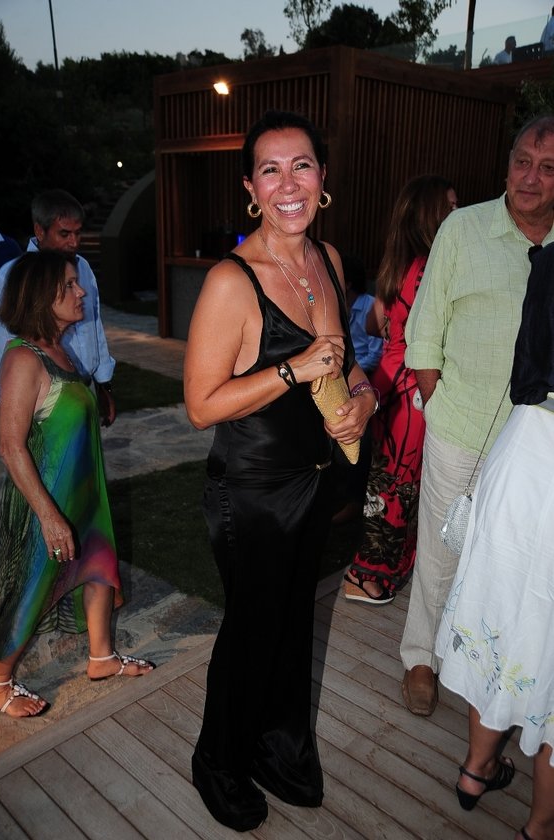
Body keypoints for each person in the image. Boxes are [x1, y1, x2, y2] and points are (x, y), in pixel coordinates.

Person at [183, 109, 377, 832]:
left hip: (312, 481)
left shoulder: (327, 259)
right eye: (271, 169)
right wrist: (292, 370)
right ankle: (219, 760)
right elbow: (200, 405)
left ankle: (278, 746)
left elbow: (345, 365)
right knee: (252, 634)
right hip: (252, 493)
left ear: (323, 178)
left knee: (293, 624)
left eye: (301, 166)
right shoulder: (231, 282)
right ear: (250, 188)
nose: (288, 183)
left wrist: (362, 400)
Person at [400, 114, 554, 719]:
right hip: (461, 426)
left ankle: (490, 668)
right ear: (507, 164)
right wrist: (438, 404)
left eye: (548, 169)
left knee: (514, 561)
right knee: (442, 552)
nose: (530, 178)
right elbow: (424, 330)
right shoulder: (463, 229)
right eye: (522, 162)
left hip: (537, 440)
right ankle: (421, 658)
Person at [0, 251, 153, 718]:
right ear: (42, 296)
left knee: (100, 568)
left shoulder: (61, 350)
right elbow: (10, 446)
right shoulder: (24, 359)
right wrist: (48, 516)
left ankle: (101, 658)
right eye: (69, 284)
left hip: (84, 494)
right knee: (30, 588)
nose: (81, 291)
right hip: (47, 500)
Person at [435, 241, 554, 840]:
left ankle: (476, 770)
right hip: (536, 457)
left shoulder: (550, 261)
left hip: (526, 447)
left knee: (506, 619)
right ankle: (541, 822)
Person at [344, 175, 457, 604]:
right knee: (398, 485)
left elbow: (372, 323)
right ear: (431, 214)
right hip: (411, 389)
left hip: (388, 384)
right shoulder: (429, 266)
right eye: (450, 206)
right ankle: (365, 575)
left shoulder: (400, 264)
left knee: (387, 482)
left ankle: (378, 569)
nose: (458, 213)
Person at [0, 190, 116, 427]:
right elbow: (2, 347)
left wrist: (104, 383)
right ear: (40, 231)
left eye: (78, 233)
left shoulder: (83, 267)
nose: (74, 242)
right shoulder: (12, 277)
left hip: (83, 390)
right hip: (42, 401)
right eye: (64, 233)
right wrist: (6, 407)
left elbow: (94, 324)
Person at [331, 253, 383, 525]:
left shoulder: (370, 305)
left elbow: (377, 353)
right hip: (342, 374)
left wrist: (350, 372)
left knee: (360, 441)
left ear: (347, 282)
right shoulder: (336, 306)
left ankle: (355, 501)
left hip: (367, 380)